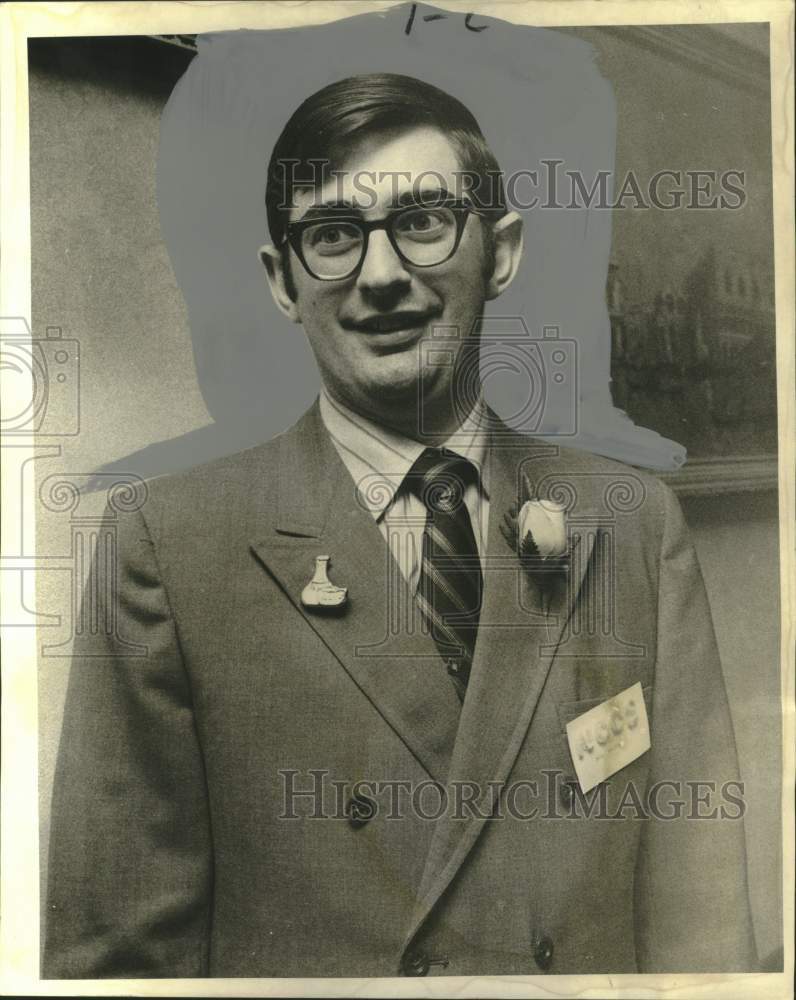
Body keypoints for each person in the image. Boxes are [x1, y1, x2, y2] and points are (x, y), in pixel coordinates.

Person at [43, 73, 757, 979]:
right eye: (332, 236)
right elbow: (118, 959)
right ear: (283, 281)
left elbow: (702, 926)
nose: (380, 277)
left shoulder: (632, 523)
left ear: (500, 253)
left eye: (423, 221)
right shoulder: (169, 543)